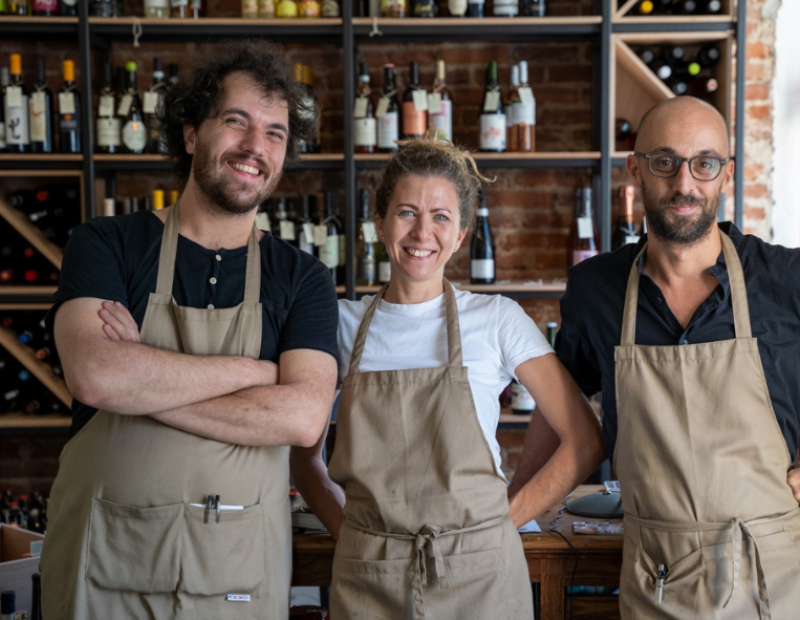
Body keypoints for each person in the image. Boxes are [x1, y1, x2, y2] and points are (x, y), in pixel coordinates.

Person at [40, 42, 339, 620]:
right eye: (236, 122)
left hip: (236, 579)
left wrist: (143, 383)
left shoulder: (303, 278)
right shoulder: (105, 244)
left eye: (275, 133)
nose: (255, 147)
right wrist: (256, 374)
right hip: (103, 572)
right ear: (190, 133)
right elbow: (97, 377)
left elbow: (304, 418)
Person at [290, 137, 605, 619]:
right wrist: (349, 533)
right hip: (369, 575)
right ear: (380, 223)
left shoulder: (497, 319)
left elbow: (584, 440)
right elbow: (302, 454)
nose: (422, 232)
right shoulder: (340, 325)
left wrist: (502, 522)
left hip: (480, 577)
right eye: (406, 212)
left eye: (440, 217)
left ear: (459, 235)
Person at [514, 96, 800, 619]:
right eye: (665, 161)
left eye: (704, 163)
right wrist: (509, 514)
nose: (684, 182)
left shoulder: (785, 279)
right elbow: (560, 408)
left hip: (775, 582)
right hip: (655, 582)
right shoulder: (596, 289)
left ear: (726, 173)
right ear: (635, 169)